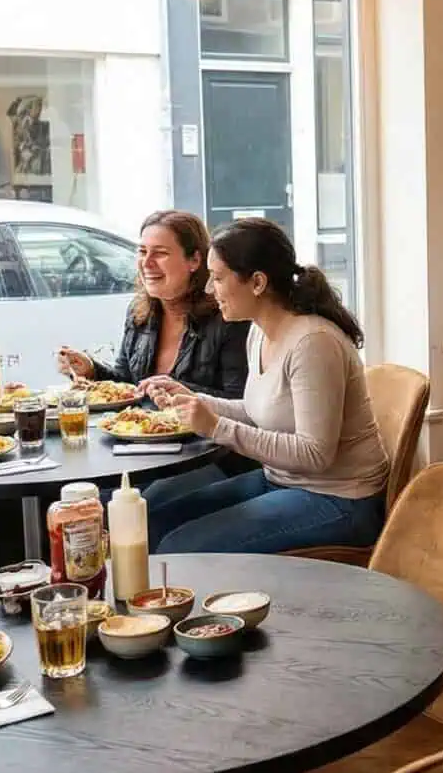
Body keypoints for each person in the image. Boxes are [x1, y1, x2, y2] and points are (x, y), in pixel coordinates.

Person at [142, 219, 389, 555]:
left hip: (341, 500)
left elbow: (315, 454)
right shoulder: (258, 331)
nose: (209, 290)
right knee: (153, 521)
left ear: (257, 282)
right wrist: (193, 401)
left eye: (217, 278)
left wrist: (215, 427)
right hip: (282, 481)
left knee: (179, 546)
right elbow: (258, 411)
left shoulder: (313, 343)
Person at [57, 210, 250, 400]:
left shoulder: (228, 317)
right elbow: (128, 384)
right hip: (141, 429)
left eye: (160, 253)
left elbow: (240, 403)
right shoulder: (138, 312)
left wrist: (178, 391)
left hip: (199, 432)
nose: (147, 263)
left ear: (194, 260)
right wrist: (92, 370)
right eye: (142, 251)